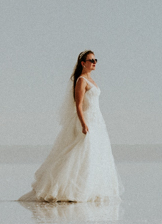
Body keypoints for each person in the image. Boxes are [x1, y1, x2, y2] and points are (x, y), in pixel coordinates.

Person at [20, 50, 121, 203]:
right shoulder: (81, 80)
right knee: (80, 154)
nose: (94, 62)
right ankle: (66, 190)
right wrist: (83, 124)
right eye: (91, 60)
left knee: (94, 156)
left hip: (97, 121)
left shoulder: (92, 80)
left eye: (95, 60)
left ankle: (89, 190)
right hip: (86, 120)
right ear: (83, 63)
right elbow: (78, 105)